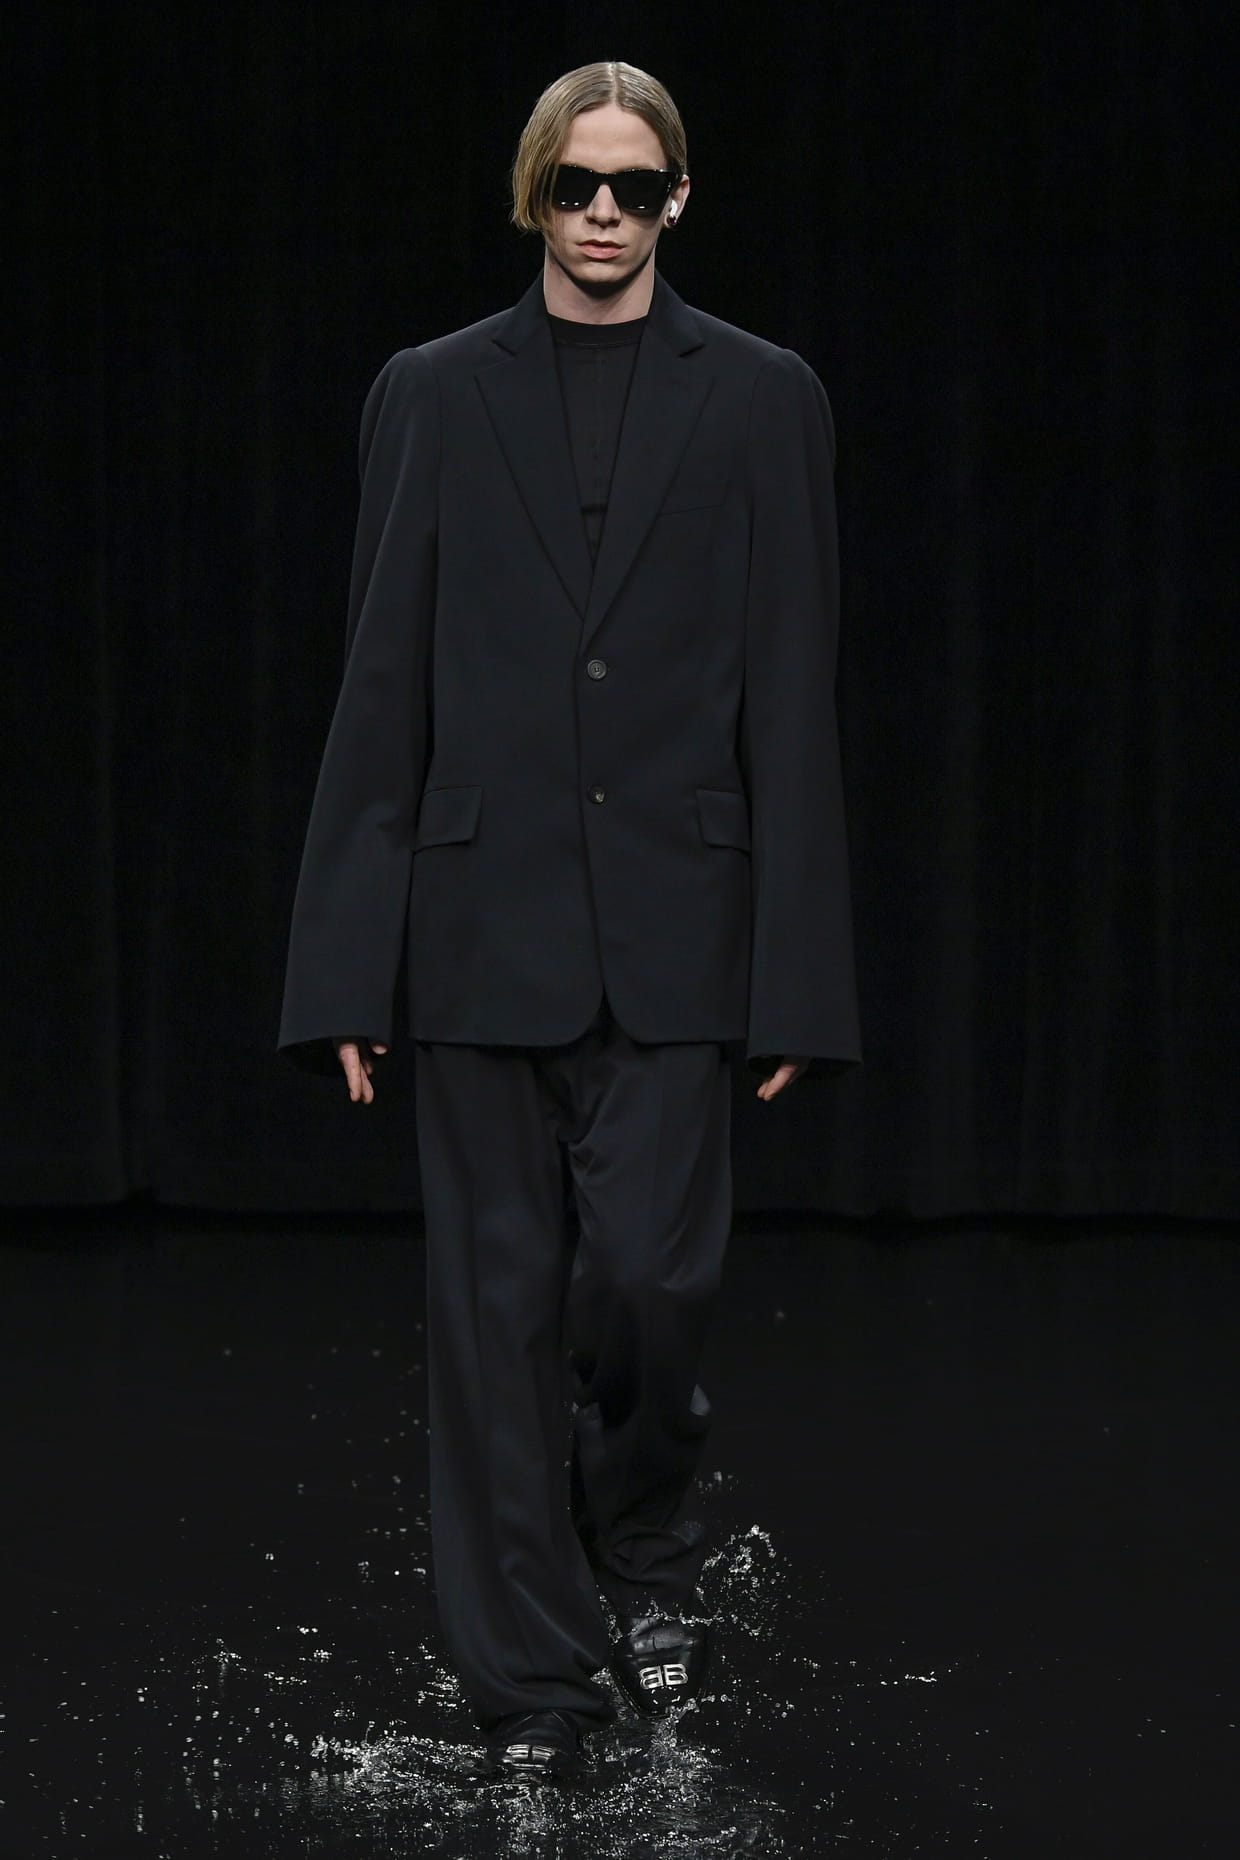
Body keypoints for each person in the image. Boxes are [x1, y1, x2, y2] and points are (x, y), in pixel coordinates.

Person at [278, 60, 861, 1782]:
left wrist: (801, 981)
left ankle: (642, 1534)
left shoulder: (762, 396)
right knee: (491, 1319)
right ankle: (532, 1681)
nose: (604, 212)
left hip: (683, 923)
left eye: (637, 185)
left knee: (653, 1287)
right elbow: (381, 679)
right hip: (475, 923)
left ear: (680, 199)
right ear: (533, 193)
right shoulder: (433, 392)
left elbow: (793, 692)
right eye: (575, 184)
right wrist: (345, 963)